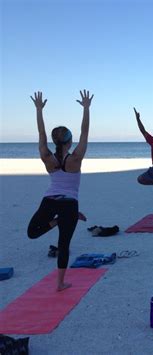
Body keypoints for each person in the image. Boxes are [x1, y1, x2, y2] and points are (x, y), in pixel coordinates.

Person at [27, 90, 93, 291]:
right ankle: (60, 283)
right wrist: (86, 108)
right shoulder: (75, 159)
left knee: (32, 232)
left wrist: (38, 110)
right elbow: (85, 132)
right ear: (69, 141)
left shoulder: (47, 157)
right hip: (69, 205)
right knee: (64, 245)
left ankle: (58, 220)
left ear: (55, 142)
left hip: (50, 201)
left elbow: (41, 134)